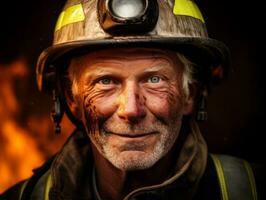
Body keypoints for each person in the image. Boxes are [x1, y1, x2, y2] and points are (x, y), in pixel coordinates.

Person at [0, 0, 258, 199]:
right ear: (71, 98)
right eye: (105, 81)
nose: (131, 109)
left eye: (154, 79)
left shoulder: (250, 189)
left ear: (190, 93)